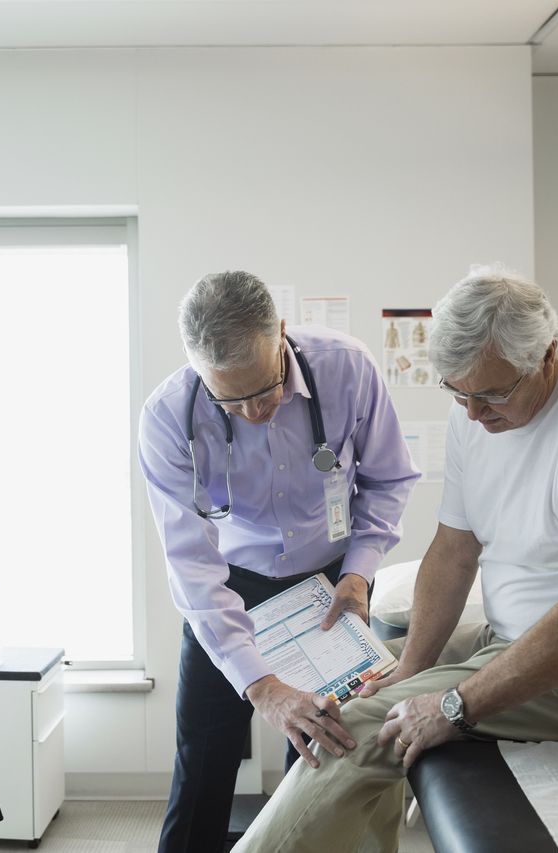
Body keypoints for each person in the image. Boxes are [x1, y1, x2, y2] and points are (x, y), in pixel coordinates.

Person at [233, 267, 558, 853]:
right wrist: (411, 670)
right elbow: (454, 551)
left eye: (491, 393)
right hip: (519, 636)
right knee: (361, 689)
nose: (472, 413)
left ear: (548, 356)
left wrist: (454, 707)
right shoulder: (477, 415)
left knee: (357, 729)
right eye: (457, 393)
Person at [139, 271, 419, 853]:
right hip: (228, 590)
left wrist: (360, 571)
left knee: (325, 759)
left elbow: (388, 480)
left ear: (282, 336)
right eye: (230, 399)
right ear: (198, 371)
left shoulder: (347, 368)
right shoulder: (167, 418)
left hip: (331, 582)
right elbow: (191, 564)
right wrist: (262, 688)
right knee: (203, 766)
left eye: (265, 390)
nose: (254, 412)